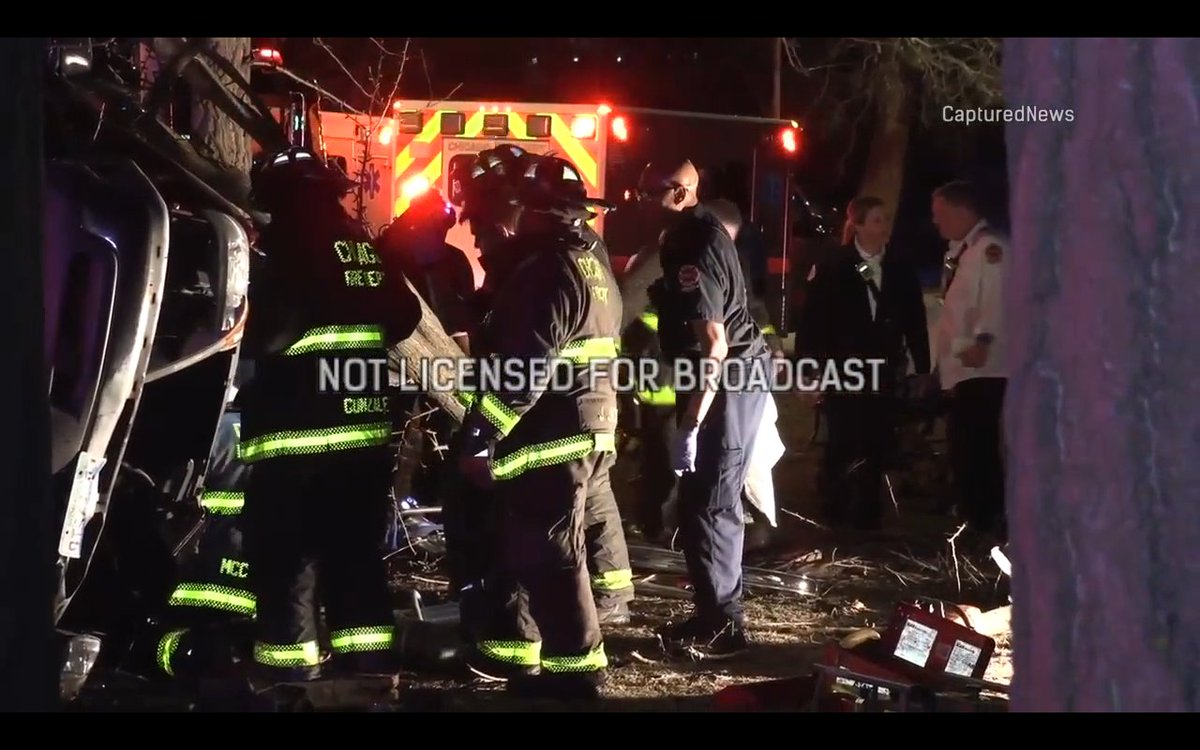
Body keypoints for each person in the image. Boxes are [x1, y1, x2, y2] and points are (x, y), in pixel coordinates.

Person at [236, 147, 420, 685]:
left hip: (297, 433)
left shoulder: (288, 247)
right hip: (362, 435)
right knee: (355, 557)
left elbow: (269, 332)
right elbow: (404, 315)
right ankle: (368, 670)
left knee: (288, 559)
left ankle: (291, 674)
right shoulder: (360, 246)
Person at [456, 153, 623, 698]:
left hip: (553, 432)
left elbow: (521, 369)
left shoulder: (545, 270)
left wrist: (483, 436)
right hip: (589, 423)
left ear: (533, 211)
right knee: (547, 550)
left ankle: (575, 677)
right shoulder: (592, 263)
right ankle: (546, 665)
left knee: (551, 556)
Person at [638, 159, 771, 657]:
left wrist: (692, 423)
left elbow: (714, 343)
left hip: (728, 378)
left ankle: (726, 627)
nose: (641, 202)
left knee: (713, 499)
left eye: (649, 193)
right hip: (723, 377)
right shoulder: (693, 234)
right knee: (701, 499)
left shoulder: (692, 243)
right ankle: (711, 612)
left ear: (679, 193)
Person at [798, 195, 931, 530]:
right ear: (857, 225)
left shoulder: (900, 268)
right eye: (876, 220)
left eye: (885, 220)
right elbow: (813, 323)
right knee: (842, 437)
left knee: (878, 439)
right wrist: (808, 370)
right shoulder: (834, 266)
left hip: (885, 367)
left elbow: (915, 321)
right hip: (845, 368)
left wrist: (922, 367)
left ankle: (869, 513)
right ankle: (834, 507)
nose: (884, 227)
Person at [931, 180, 1007, 538]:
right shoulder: (965, 250)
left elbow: (995, 298)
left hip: (984, 368)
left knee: (978, 451)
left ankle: (986, 524)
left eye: (940, 214)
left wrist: (983, 340)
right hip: (966, 368)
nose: (936, 222)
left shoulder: (989, 249)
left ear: (962, 211)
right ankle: (977, 519)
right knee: (966, 449)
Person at [377, 187, 475, 354]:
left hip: (439, 351)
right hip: (411, 349)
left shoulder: (455, 260)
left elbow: (462, 325)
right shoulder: (398, 256)